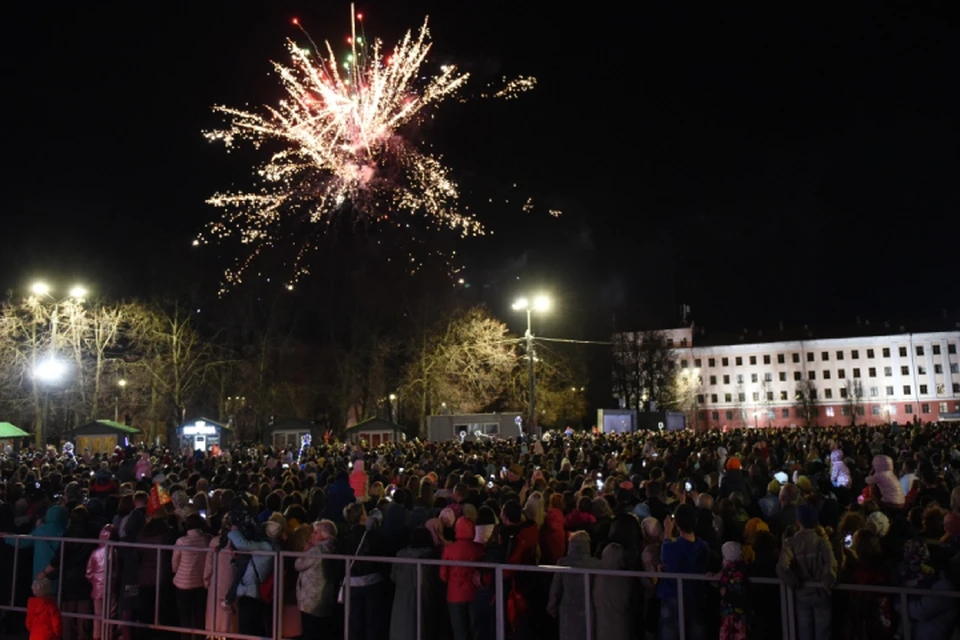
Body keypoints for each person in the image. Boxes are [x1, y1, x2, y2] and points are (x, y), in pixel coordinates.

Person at [776, 503, 837, 640]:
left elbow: (782, 567)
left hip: (802, 593)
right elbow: (831, 565)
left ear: (798, 521)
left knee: (804, 633)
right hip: (821, 593)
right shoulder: (822, 542)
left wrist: (794, 583)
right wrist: (826, 584)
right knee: (823, 633)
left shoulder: (790, 542)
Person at [657, 504, 709, 640]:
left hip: (673, 596)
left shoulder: (671, 548)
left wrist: (667, 531)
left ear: (677, 524)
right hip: (696, 595)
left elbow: (666, 555)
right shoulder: (703, 547)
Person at [547, 531, 601, 640]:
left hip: (567, 610)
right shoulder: (596, 564)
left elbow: (556, 589)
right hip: (590, 609)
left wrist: (552, 607)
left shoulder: (563, 563)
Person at [440, 516, 484, 640]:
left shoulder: (449, 549)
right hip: (474, 593)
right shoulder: (479, 548)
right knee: (477, 630)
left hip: (455, 595)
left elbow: (443, 575)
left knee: (459, 632)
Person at [295, 520, 339, 640]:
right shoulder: (334, 547)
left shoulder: (317, 550)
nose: (312, 535)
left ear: (324, 535)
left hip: (311, 599)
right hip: (326, 597)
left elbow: (298, 564)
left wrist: (305, 550)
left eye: (315, 533)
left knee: (310, 632)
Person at [172, 513, 211, 640]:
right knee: (199, 616)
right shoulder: (207, 539)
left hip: (182, 583)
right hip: (200, 582)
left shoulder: (181, 541)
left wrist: (176, 572)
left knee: (185, 617)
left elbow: (175, 562)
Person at [718, 542, 749, 640]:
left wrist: (726, 594)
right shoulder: (743, 569)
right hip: (737, 614)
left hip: (731, 612)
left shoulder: (730, 572)